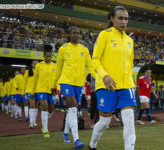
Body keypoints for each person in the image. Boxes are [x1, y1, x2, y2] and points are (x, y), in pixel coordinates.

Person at [89, 6, 137, 150]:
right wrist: (105, 76)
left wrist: (132, 83)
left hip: (126, 86)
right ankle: (93, 144)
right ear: (112, 18)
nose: (124, 22)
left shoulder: (130, 40)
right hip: (106, 86)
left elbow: (130, 65)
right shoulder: (104, 35)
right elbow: (95, 59)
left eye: (126, 19)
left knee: (129, 119)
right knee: (104, 120)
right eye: (120, 18)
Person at [52, 26, 95, 149]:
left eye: (78, 33)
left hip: (79, 84)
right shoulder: (63, 49)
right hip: (65, 82)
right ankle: (76, 139)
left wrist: (99, 76)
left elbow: (90, 67)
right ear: (69, 35)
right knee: (73, 108)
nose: (76, 35)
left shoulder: (84, 50)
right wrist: (54, 85)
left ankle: (65, 132)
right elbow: (58, 69)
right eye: (74, 33)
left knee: (72, 110)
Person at [32, 45, 56, 138]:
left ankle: (44, 122)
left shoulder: (55, 65)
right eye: (47, 56)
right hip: (41, 90)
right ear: (43, 56)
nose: (48, 58)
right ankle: (45, 130)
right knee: (44, 108)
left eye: (50, 56)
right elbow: (35, 79)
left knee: (51, 110)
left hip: (51, 91)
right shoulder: (39, 65)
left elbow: (56, 78)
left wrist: (56, 89)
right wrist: (32, 91)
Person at [24, 60, 38, 128]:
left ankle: (34, 121)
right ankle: (31, 123)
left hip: (38, 91)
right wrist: (23, 92)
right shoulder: (27, 72)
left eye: (37, 64)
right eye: (34, 64)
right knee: (31, 105)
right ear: (31, 64)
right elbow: (24, 82)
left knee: (35, 106)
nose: (35, 65)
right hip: (29, 91)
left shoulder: (39, 71)